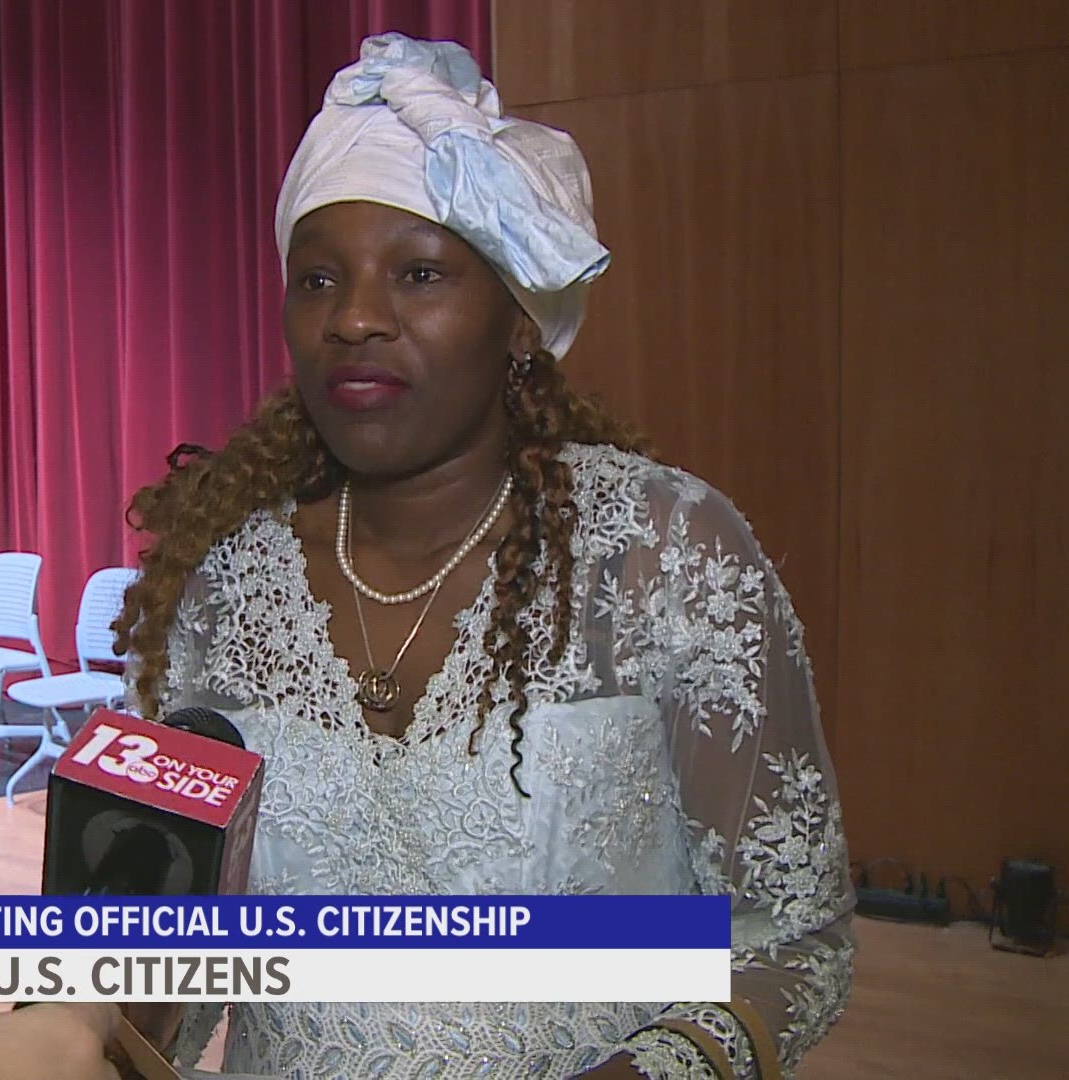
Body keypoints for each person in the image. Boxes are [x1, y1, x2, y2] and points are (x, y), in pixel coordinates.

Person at [100, 32, 857, 1080]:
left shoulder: (663, 555)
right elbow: (168, 975)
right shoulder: (226, 592)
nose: (355, 317)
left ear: (517, 321)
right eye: (317, 280)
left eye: (419, 273)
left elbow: (793, 942)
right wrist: (97, 992)